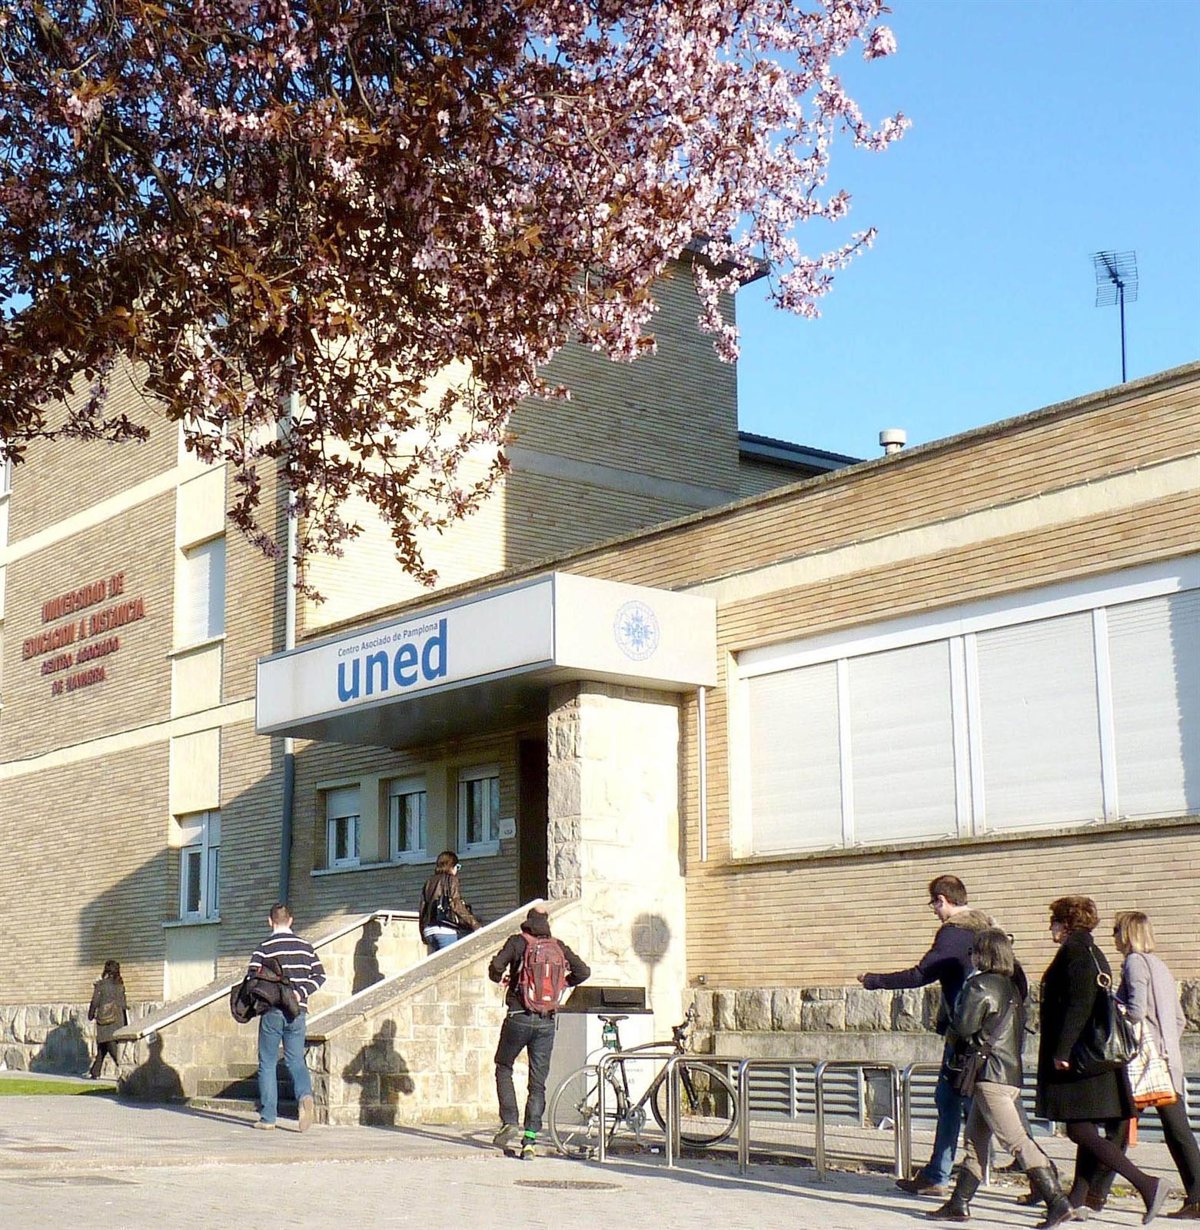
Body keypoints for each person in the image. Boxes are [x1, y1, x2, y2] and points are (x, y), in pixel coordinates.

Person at [858, 874, 994, 1197]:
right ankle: (939, 1173)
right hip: (988, 1032)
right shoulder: (987, 930)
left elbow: (921, 974)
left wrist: (874, 980)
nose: (934, 910)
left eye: (934, 903)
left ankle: (1042, 1176)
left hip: (964, 1034)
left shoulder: (954, 933)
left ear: (942, 900)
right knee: (969, 1101)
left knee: (973, 1104)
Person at [1036, 895, 1168, 1224]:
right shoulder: (1091, 951)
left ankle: (1148, 1184)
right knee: (1083, 1129)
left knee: (1079, 1130)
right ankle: (1076, 1201)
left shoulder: (1076, 952)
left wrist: (1062, 1051)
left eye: (1054, 922)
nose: (1051, 929)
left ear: (1066, 924)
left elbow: (1079, 1004)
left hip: (1082, 1058)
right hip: (1094, 1056)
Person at [926, 929, 1072, 1227]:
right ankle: (958, 1203)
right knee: (975, 1141)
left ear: (984, 954)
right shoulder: (1012, 987)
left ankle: (1057, 1201)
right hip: (1008, 1074)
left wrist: (947, 1019)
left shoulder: (980, 985)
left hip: (989, 1077)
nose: (971, 956)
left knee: (1016, 1141)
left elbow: (963, 1028)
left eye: (974, 951)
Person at [1112, 910, 1200, 1220]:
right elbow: (1179, 1019)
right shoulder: (1161, 965)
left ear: (1127, 933)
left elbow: (1135, 1011)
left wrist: (1114, 1008)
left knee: (1120, 1125)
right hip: (1167, 1060)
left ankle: (1090, 1194)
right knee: (1176, 1130)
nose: (1113, 937)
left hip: (1146, 1064)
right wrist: (1166, 1044)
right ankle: (1196, 1196)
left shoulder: (1134, 963)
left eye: (1116, 930)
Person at [488, 906, 590, 1159]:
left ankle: (509, 1121)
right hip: (546, 1021)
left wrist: (503, 978)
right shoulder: (558, 946)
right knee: (538, 1082)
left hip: (518, 1017)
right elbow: (583, 971)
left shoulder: (517, 942)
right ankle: (530, 1140)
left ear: (527, 922)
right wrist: (564, 982)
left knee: (504, 1065)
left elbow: (495, 967)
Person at [246, 902, 326, 1131]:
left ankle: (268, 1118)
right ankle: (305, 1095)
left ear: (270, 921)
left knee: (268, 1062)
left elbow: (252, 978)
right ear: (291, 920)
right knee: (295, 1059)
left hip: (272, 1011)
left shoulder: (264, 948)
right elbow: (320, 975)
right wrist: (301, 993)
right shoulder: (305, 947)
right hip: (297, 1011)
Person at [419, 850, 482, 952]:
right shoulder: (451, 879)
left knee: (438, 961)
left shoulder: (429, 882)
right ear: (451, 866)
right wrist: (475, 924)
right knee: (450, 960)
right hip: (445, 929)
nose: (457, 870)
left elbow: (422, 909)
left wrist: (422, 932)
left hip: (429, 931)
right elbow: (455, 904)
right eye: (457, 866)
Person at [86, 959, 128, 1079]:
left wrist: (91, 1014)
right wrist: (126, 1022)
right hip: (118, 1018)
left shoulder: (101, 985)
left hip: (105, 1019)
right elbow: (123, 1004)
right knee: (103, 1046)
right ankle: (95, 1071)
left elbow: (95, 1001)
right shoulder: (120, 985)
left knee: (110, 1044)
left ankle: (124, 1071)